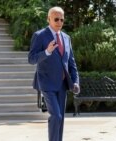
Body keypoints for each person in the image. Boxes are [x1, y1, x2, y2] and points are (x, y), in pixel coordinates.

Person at [28, 6, 80, 141]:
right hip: (46, 83)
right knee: (56, 116)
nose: (59, 22)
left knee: (61, 119)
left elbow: (71, 63)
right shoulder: (40, 36)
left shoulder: (66, 38)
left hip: (62, 84)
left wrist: (75, 81)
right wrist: (47, 52)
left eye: (62, 20)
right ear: (48, 19)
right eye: (56, 19)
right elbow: (31, 59)